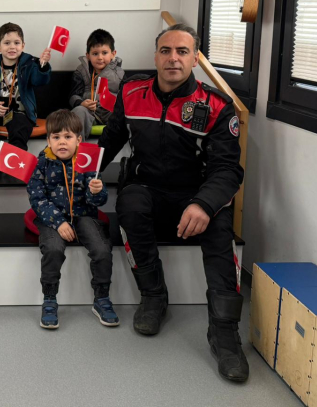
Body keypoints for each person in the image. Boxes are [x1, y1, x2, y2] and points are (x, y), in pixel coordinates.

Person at [97, 24, 248, 382]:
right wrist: (80, 173)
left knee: (220, 232)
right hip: (146, 188)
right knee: (129, 204)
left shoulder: (217, 106)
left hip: (196, 196)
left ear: (195, 59)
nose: (173, 58)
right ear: (155, 56)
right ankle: (153, 297)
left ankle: (224, 333)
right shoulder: (131, 91)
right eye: (166, 50)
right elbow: (110, 140)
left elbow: (227, 170)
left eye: (182, 51)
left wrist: (204, 204)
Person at [27, 110, 116, 330]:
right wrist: (59, 222)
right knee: (53, 249)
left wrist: (97, 191)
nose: (62, 142)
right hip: (52, 218)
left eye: (68, 137)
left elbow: (99, 201)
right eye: (56, 137)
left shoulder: (88, 162)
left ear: (79, 140)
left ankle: (102, 298)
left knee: (102, 250)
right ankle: (49, 299)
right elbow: (37, 198)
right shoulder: (42, 164)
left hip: (83, 214)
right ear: (48, 140)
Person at [0, 22, 52, 166]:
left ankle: (15, 157)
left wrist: (43, 66)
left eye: (16, 43)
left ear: (23, 45)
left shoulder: (30, 63)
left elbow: (40, 80)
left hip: (20, 113)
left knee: (19, 125)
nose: (12, 47)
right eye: (7, 43)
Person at [69, 29, 124, 138]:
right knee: (78, 111)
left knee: (127, 113)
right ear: (88, 55)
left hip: (111, 114)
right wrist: (81, 103)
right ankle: (76, 146)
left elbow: (126, 97)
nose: (100, 57)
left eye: (104, 53)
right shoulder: (81, 71)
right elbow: (73, 96)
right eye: (95, 54)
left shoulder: (119, 73)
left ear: (113, 54)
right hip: (89, 112)